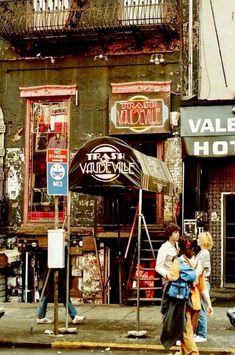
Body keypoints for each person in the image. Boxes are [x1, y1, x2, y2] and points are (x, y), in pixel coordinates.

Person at [160, 236, 213, 354]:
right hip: (196, 304)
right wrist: (209, 304)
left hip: (183, 302)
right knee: (186, 333)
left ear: (180, 247)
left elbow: (173, 277)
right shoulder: (199, 264)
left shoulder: (178, 262)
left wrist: (167, 276)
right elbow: (203, 287)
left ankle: (194, 353)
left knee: (185, 332)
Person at [195, 231, 213, 343]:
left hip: (203, 282)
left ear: (202, 241)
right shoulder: (202, 252)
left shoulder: (204, 253)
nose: (197, 239)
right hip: (202, 282)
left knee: (201, 308)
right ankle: (199, 333)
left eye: (198, 238)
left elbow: (199, 269)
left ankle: (202, 334)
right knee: (200, 307)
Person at [155, 222, 180, 289]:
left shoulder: (178, 245)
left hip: (179, 278)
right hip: (169, 280)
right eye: (175, 232)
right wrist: (167, 275)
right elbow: (158, 267)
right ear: (169, 235)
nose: (178, 234)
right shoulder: (164, 248)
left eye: (178, 232)